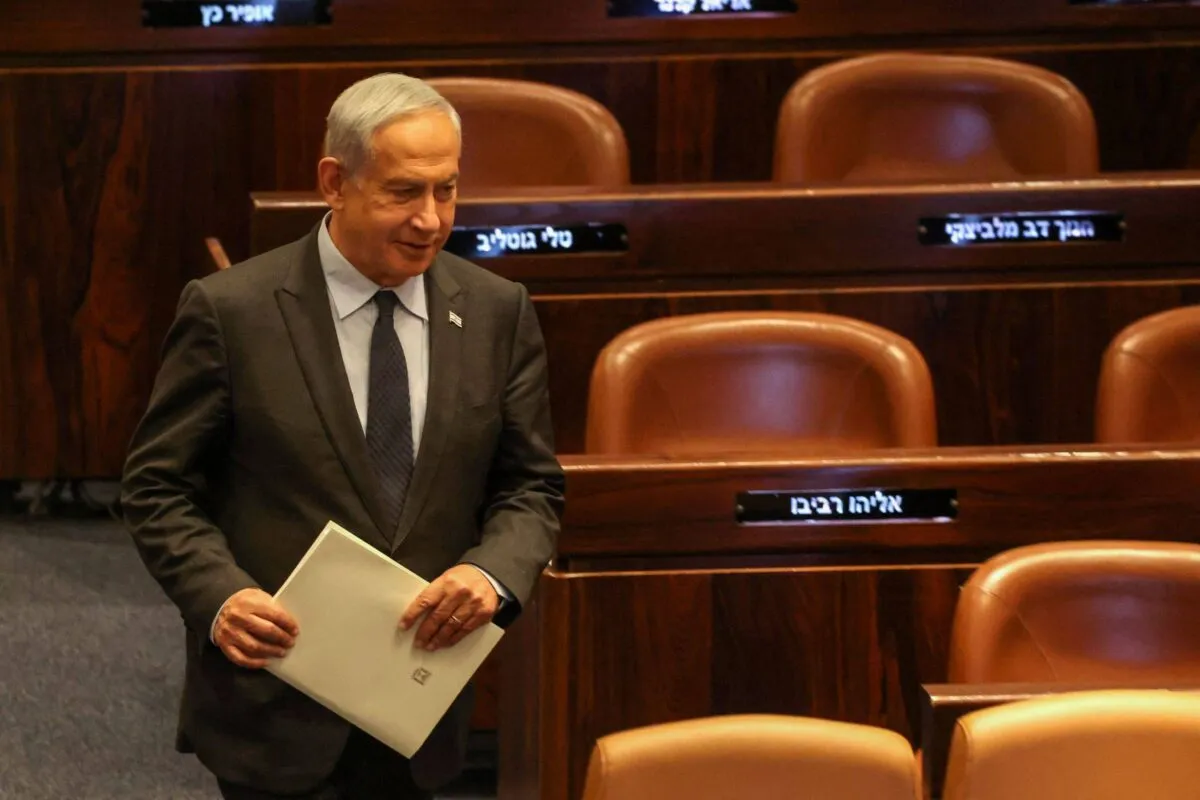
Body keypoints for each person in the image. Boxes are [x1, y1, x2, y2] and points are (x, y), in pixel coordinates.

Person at [120, 73, 565, 799]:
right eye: (403, 192)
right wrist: (220, 595)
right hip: (275, 704)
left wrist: (490, 577)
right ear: (335, 180)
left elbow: (531, 486)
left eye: (447, 190)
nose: (430, 219)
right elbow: (157, 487)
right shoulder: (232, 312)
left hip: (421, 703)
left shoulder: (496, 311)